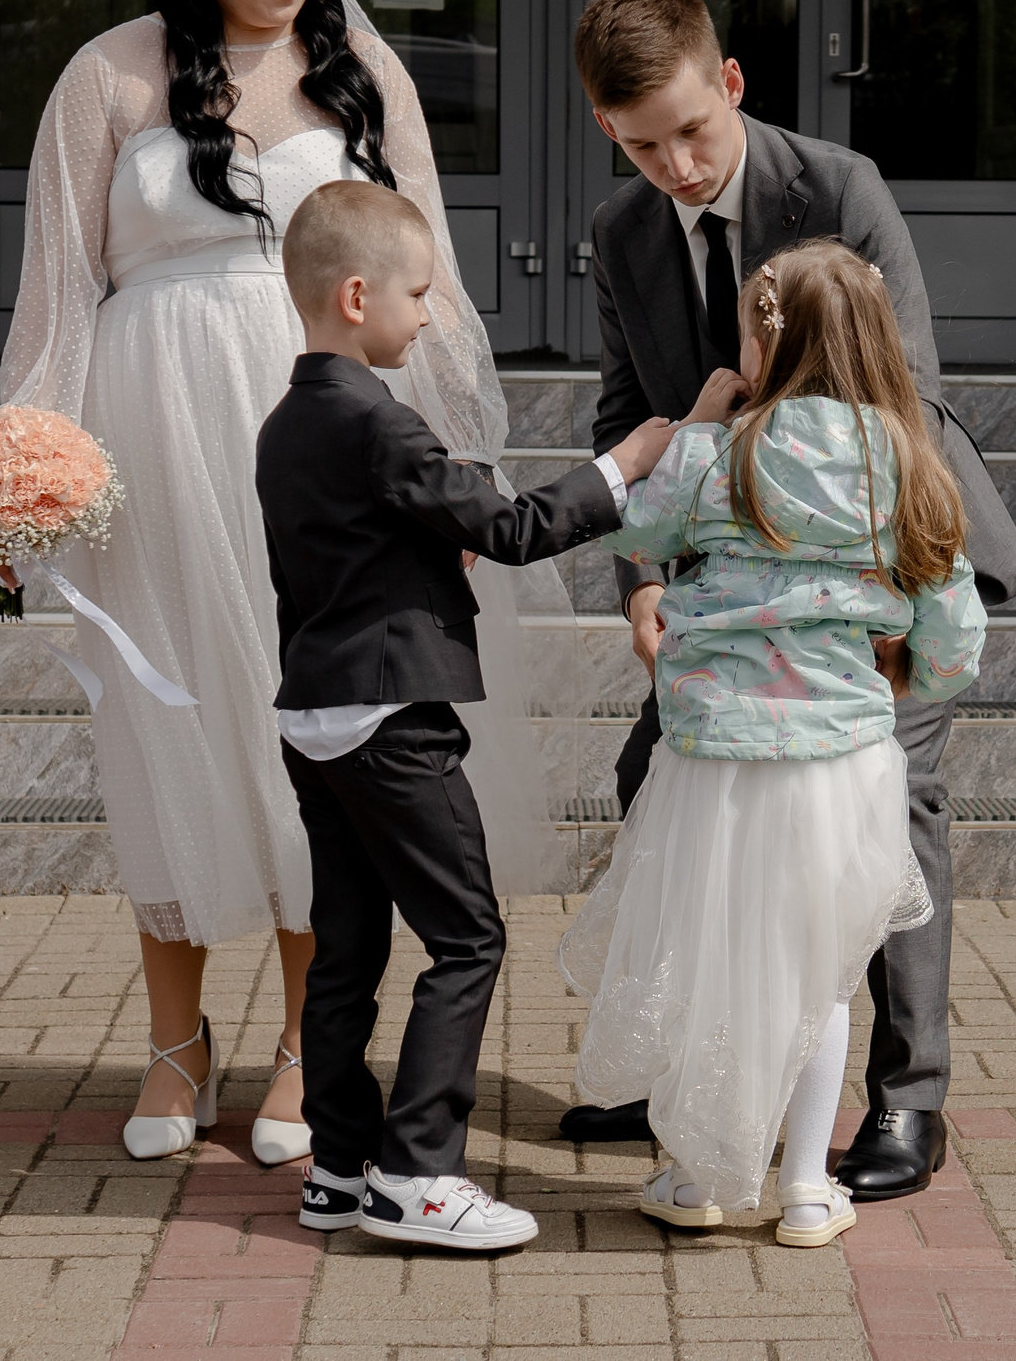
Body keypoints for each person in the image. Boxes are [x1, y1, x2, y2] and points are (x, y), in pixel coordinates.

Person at [0, 0, 550, 1167]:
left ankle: (310, 1046)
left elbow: (430, 290)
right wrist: (22, 472)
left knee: (314, 734)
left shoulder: (366, 75)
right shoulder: (108, 75)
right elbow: (58, 291)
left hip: (328, 451)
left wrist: (448, 477)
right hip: (153, 445)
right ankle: (174, 1042)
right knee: (166, 729)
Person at [558, 0, 1016, 1201]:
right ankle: (686, 1080)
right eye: (640, 145)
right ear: (606, 128)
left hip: (874, 572)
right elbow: (627, 414)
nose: (674, 166)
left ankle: (907, 1098)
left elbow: (906, 393)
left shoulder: (838, 188)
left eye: (690, 130)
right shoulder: (619, 230)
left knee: (885, 810)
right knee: (653, 781)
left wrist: (890, 618)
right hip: (726, 591)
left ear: (730, 82)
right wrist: (640, 582)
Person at [258, 181, 672, 1249]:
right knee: (468, 938)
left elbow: (337, 560)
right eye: (419, 294)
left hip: (313, 714)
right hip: (394, 720)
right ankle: (416, 1175)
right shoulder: (378, 422)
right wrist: (623, 466)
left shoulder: (285, 424)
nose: (429, 314)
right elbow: (513, 529)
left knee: (346, 949)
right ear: (357, 296)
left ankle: (337, 1166)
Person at [559, 239, 988, 1246]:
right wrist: (914, 679)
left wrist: (698, 421)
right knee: (819, 974)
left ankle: (695, 1177)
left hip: (713, 758)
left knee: (705, 956)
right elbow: (954, 624)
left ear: (768, 344)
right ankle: (803, 1185)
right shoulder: (904, 462)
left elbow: (636, 532)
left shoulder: (720, 454)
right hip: (840, 763)